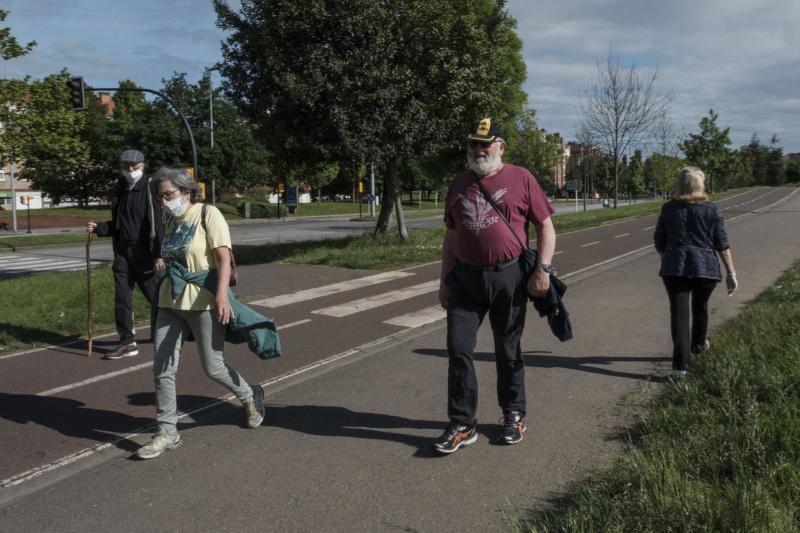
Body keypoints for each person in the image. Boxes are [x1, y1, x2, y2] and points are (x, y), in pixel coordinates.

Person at [434, 117, 557, 454]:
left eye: (485, 144)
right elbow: (451, 235)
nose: (478, 150)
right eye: (473, 143)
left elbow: (546, 228)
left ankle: (513, 414)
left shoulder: (522, 178)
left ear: (501, 146)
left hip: (510, 278)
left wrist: (542, 270)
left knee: (507, 349)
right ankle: (462, 423)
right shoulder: (458, 184)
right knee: (458, 349)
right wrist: (444, 280)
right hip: (465, 281)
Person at [136, 168, 271, 460]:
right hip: (170, 304)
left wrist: (222, 297)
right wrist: (164, 262)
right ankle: (167, 433)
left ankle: (249, 396)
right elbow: (175, 255)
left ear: (186, 191)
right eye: (160, 196)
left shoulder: (208, 214)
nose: (164, 201)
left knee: (213, 366)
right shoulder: (171, 222)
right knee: (162, 368)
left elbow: (223, 258)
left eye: (168, 194)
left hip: (204, 302)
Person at [654, 167, 738, 380]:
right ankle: (698, 347)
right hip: (705, 268)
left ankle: (680, 367)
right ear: (701, 185)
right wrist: (731, 272)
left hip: (675, 268)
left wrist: (667, 259)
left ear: (679, 185)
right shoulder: (712, 210)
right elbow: (722, 243)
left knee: (679, 314)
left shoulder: (668, 209)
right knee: (700, 307)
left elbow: (659, 241)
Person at [87, 150, 164, 360]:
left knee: (156, 296)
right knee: (122, 296)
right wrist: (100, 228)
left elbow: (158, 222)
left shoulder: (150, 186)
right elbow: (121, 223)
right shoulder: (120, 187)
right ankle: (127, 342)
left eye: (134, 166)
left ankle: (179, 327)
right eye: (126, 166)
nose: (130, 170)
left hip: (145, 252)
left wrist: (158, 253)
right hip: (122, 252)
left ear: (142, 165)